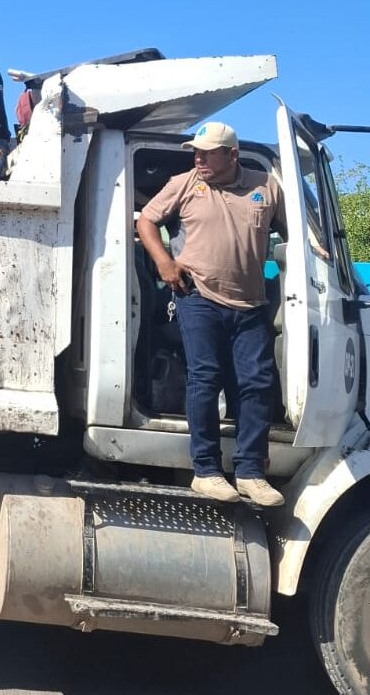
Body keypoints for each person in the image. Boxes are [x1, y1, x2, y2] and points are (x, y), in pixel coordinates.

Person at [136, 121, 287, 506]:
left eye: (206, 152)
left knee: (256, 383)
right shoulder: (185, 183)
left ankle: (251, 472)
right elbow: (146, 221)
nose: (198, 158)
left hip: (250, 303)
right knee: (206, 376)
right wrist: (165, 264)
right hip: (197, 295)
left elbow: (293, 235)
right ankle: (205, 470)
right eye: (196, 151)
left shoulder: (266, 186)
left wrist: (315, 252)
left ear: (232, 155)